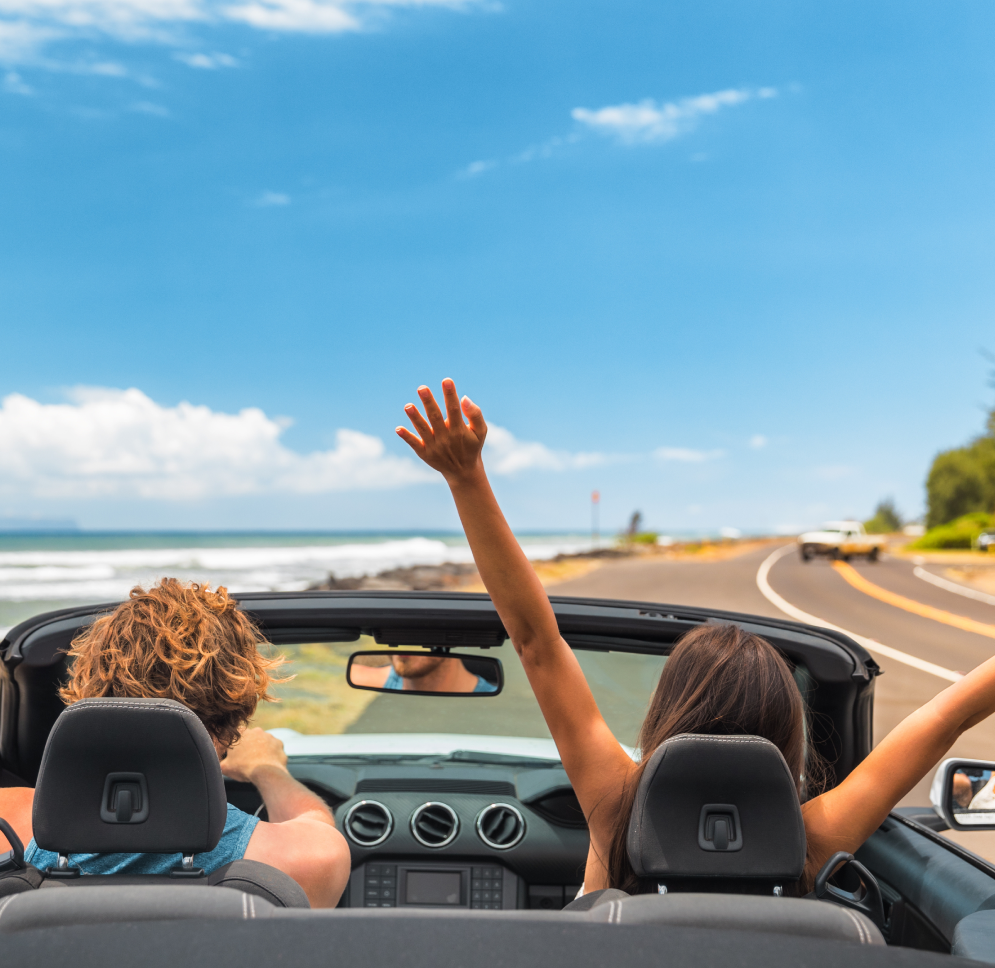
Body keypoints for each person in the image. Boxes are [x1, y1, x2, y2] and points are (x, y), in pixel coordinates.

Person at [396, 378, 995, 895]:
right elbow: (947, 714)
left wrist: (466, 477)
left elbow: (535, 640)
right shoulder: (811, 841)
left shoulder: (617, 807)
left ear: (667, 715)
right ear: (789, 737)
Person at [0, 579, 349, 907]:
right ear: (231, 722)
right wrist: (267, 770)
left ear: (92, 694)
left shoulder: (0, 826)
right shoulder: (303, 859)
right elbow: (315, 826)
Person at [349, 653, 492, 693]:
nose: (402, 642)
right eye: (390, 632)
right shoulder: (356, 680)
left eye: (421, 632)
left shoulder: (494, 702)